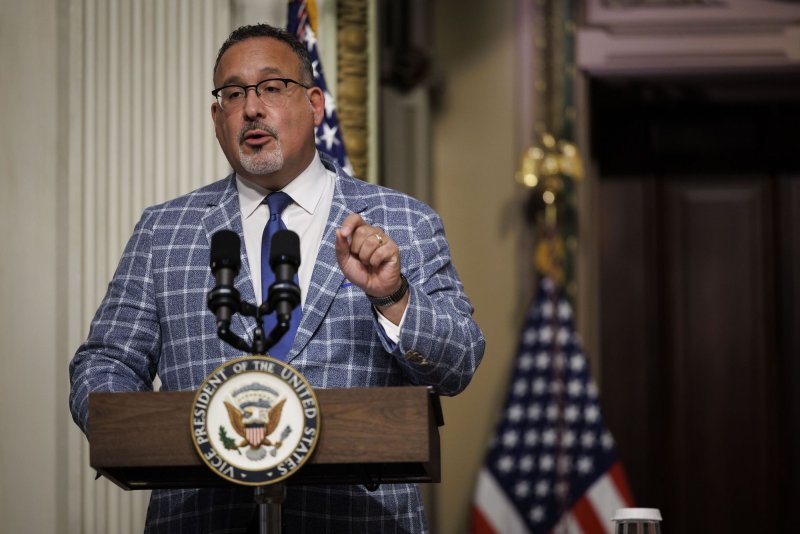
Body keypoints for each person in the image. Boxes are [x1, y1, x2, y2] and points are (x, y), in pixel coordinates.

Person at [69, 23, 485, 533]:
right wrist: (138, 433)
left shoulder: (402, 220)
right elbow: (105, 361)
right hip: (204, 519)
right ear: (217, 116)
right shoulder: (165, 231)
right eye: (233, 93)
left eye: (270, 87)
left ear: (314, 104)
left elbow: (460, 361)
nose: (251, 108)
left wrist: (394, 297)